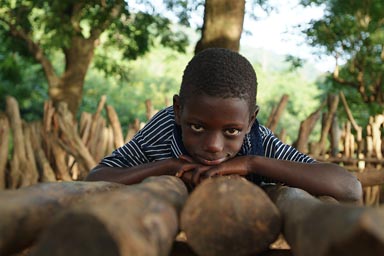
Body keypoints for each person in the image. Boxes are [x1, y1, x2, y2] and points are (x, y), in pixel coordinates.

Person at [86, 48, 362, 203]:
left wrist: (253, 164)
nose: (213, 146)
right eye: (196, 126)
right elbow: (95, 179)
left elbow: (349, 188)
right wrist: (169, 167)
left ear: (250, 120)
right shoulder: (164, 127)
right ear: (179, 110)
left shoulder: (259, 141)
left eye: (231, 131)